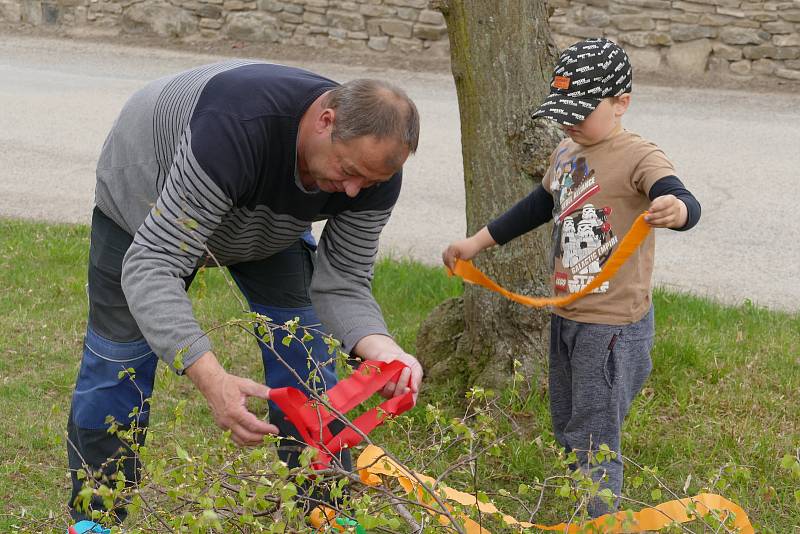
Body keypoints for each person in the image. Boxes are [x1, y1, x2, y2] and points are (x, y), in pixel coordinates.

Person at [66, 60, 424, 524]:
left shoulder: (372, 169)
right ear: (325, 120)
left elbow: (343, 282)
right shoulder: (233, 130)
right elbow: (154, 263)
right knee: (118, 363)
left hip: (268, 224)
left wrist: (385, 349)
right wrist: (213, 379)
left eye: (368, 182)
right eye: (348, 170)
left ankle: (326, 509)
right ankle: (94, 518)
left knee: (305, 352)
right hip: (147, 197)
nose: (352, 192)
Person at [442, 38, 701, 517]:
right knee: (568, 423)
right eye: (563, 110)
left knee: (594, 436)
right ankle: (579, 503)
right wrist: (476, 243)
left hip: (612, 326)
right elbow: (539, 206)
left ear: (621, 103)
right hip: (567, 314)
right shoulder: (566, 151)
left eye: (581, 110)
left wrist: (677, 208)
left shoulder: (638, 155)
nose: (569, 120)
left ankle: (600, 519)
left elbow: (678, 194)